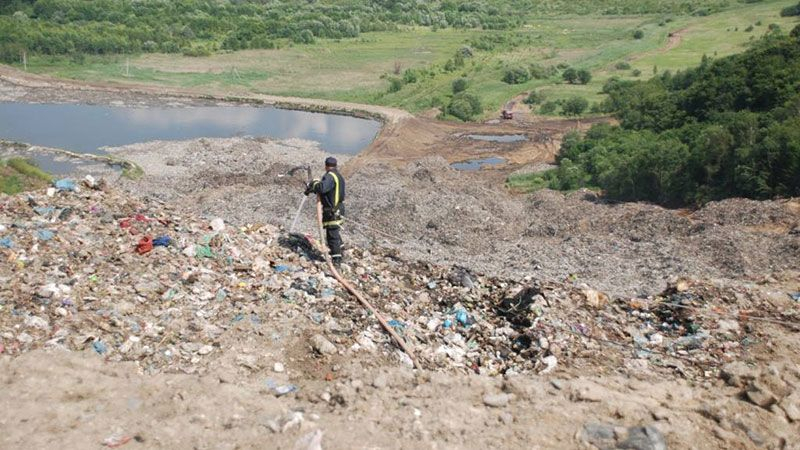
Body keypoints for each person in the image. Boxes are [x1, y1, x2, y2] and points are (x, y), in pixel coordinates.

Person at [304, 156, 346, 265]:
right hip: (337, 208)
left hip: (332, 210)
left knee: (332, 234)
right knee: (334, 231)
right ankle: (341, 248)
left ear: (326, 166)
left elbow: (322, 188)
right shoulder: (338, 176)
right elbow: (327, 191)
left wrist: (314, 183)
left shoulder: (330, 176)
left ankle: (337, 260)